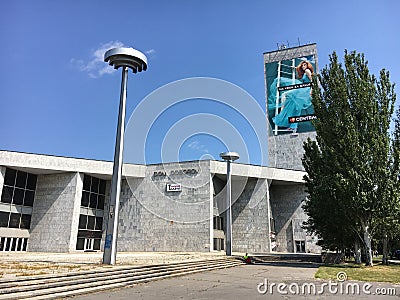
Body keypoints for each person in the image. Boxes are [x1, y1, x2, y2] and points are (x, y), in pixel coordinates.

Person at [268, 60, 315, 131]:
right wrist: (295, 67)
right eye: (302, 65)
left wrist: (311, 90)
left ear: (308, 65)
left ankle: (282, 113)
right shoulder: (304, 72)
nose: (303, 66)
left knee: (284, 94)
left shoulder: (307, 71)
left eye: (305, 65)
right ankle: (293, 126)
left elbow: (313, 81)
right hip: (303, 90)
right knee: (297, 108)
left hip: (305, 90)